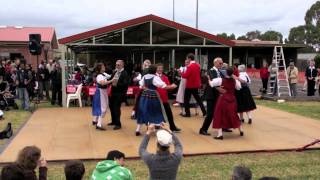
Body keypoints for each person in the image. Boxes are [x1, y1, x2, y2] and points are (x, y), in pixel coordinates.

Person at [135, 65, 176, 136]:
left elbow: (141, 85)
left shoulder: (145, 76)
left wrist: (146, 88)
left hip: (144, 96)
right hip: (153, 96)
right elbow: (164, 86)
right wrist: (173, 86)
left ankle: (138, 129)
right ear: (155, 71)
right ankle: (161, 129)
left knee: (143, 111)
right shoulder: (155, 77)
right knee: (156, 112)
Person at [209, 68, 243, 140]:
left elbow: (211, 84)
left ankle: (220, 135)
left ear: (226, 73)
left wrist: (208, 79)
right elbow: (238, 88)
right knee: (234, 115)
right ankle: (241, 130)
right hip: (232, 99)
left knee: (219, 115)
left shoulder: (221, 80)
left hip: (223, 99)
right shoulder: (235, 81)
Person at [199, 57, 225, 136]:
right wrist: (219, 88)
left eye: (222, 63)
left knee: (220, 111)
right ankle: (203, 129)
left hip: (217, 95)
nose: (221, 65)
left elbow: (223, 80)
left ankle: (223, 127)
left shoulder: (220, 72)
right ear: (215, 63)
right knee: (210, 113)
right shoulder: (210, 71)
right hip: (211, 95)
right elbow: (213, 82)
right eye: (220, 63)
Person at [156, 63, 181, 132]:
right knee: (155, 114)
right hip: (156, 99)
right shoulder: (153, 77)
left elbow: (168, 87)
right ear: (156, 69)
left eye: (161, 68)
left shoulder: (165, 77)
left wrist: (174, 86)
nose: (160, 69)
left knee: (169, 114)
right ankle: (153, 127)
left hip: (164, 99)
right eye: (158, 68)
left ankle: (172, 127)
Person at [108, 60, 129, 130]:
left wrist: (117, 84)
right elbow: (110, 80)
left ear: (122, 65)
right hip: (113, 93)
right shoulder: (114, 72)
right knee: (111, 106)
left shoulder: (125, 73)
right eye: (116, 64)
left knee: (116, 108)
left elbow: (125, 84)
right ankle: (113, 121)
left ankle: (118, 124)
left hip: (120, 93)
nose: (117, 66)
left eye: (118, 65)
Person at [92, 63, 112, 130]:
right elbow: (103, 83)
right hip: (100, 92)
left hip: (103, 92)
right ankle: (99, 124)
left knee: (103, 107)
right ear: (100, 68)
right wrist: (111, 81)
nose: (104, 67)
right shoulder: (99, 76)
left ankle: (97, 121)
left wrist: (116, 72)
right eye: (103, 66)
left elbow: (110, 76)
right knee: (103, 108)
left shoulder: (104, 74)